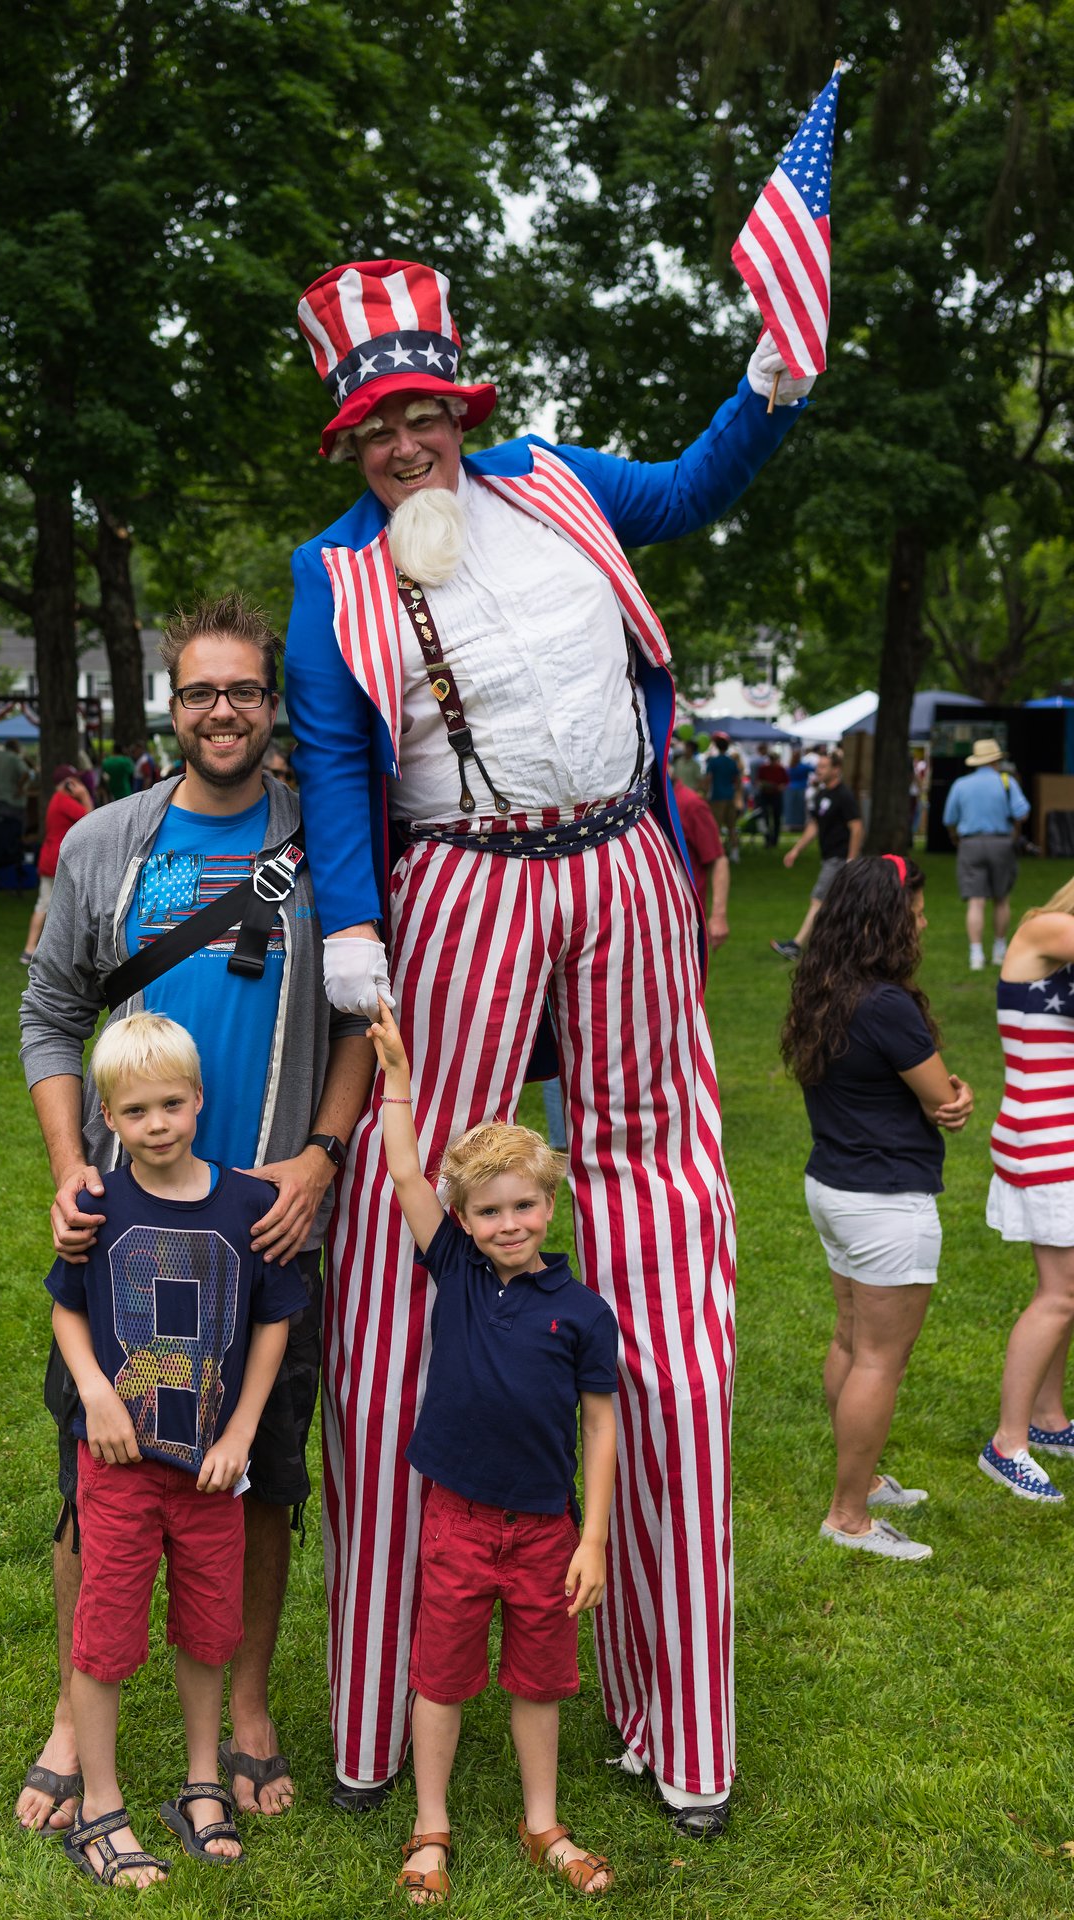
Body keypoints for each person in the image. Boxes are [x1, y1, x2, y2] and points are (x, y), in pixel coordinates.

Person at [285, 255, 814, 1830]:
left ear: (462, 402)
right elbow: (327, 752)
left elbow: (704, 479)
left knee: (659, 1225)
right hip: (454, 884)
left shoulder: (564, 484)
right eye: (374, 425)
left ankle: (678, 1720)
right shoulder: (334, 576)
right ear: (350, 439)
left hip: (627, 865)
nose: (403, 443)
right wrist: (362, 926)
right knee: (401, 1235)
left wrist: (771, 377)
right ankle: (389, 1707)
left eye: (420, 412)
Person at [16, 592, 373, 1837]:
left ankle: (251, 1706)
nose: (222, 711)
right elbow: (51, 1011)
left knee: (263, 1483)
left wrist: (320, 1160)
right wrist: (74, 1167)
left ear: (272, 707)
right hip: (123, 1237)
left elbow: (355, 1025)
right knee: (92, 1472)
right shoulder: (105, 845)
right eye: (199, 692)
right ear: (169, 709)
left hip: (263, 1231)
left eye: (244, 691)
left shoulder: (326, 846)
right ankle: (77, 1709)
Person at [47, 1012, 307, 1887]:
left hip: (208, 1472)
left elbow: (273, 1324)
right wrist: (93, 1393)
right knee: (106, 1634)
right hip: (120, 1469)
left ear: (199, 1100)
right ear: (109, 1120)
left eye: (171, 1105)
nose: (156, 1124)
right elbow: (68, 1309)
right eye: (134, 1112)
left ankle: (203, 1782)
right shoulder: (96, 1205)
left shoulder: (251, 1204)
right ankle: (101, 1802)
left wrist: (239, 1433)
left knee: (208, 1629)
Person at [369, 1002, 617, 1901]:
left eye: (524, 1205)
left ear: (549, 1205)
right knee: (440, 1673)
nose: (509, 1223)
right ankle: (430, 1826)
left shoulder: (583, 1312)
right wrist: (397, 1079)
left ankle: (542, 1819)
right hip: (459, 1518)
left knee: (540, 1678)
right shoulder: (459, 1271)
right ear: (465, 1221)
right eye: (489, 1211)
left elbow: (600, 1425)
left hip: (548, 1528)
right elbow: (403, 1173)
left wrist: (591, 1538)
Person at [781, 857, 973, 1562]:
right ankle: (850, 1515)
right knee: (880, 1361)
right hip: (885, 1200)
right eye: (915, 907)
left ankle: (860, 1480)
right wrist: (957, 1099)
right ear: (887, 918)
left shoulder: (819, 984)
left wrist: (945, 1097)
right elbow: (941, 1094)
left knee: (852, 1339)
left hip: (834, 1185)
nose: (923, 919)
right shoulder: (887, 1003)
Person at [977, 876, 1074, 1503]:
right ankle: (1007, 1444)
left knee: (1068, 1291)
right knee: (1060, 1295)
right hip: (1047, 1138)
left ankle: (1049, 1419)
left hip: (1054, 1132)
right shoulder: (1043, 930)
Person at [942, 738, 1031, 972]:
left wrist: (956, 838)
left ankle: (976, 954)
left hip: (970, 844)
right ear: (996, 760)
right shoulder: (1006, 782)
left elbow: (949, 819)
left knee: (976, 901)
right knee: (1001, 899)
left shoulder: (961, 784)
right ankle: (999, 950)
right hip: (1001, 843)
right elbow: (1022, 813)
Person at [771, 749, 863, 958]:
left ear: (836, 770)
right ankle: (846, 947)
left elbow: (857, 828)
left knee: (818, 900)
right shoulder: (823, 794)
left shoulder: (844, 796)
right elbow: (814, 826)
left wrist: (851, 859)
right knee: (843, 905)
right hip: (829, 857)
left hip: (838, 859)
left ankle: (796, 945)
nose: (818, 770)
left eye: (823, 767)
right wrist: (795, 850)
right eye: (818, 766)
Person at [22, 766, 93, 964]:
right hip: (58, 860)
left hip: (52, 857)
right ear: (68, 784)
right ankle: (31, 949)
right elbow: (92, 821)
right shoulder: (64, 801)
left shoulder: (58, 800)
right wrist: (85, 795)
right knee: (50, 904)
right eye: (74, 781)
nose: (78, 785)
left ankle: (32, 949)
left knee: (47, 904)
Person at [671, 767, 731, 951]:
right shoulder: (642, 805)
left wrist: (718, 915)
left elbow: (719, 860)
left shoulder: (690, 804)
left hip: (686, 921)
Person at [705, 732, 743, 860]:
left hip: (717, 797)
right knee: (732, 826)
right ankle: (735, 852)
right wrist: (736, 791)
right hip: (729, 796)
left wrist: (705, 793)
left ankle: (719, 852)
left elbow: (709, 779)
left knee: (716, 827)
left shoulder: (714, 761)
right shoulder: (731, 762)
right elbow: (738, 779)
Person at [0, 738, 32, 824]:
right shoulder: (14, 758)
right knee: (15, 830)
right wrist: (20, 788)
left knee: (2, 829)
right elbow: (26, 773)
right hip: (13, 801)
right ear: (16, 747)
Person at [754, 749, 788, 848]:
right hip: (765, 795)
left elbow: (785, 782)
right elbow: (759, 781)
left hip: (776, 795)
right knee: (765, 817)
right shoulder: (763, 768)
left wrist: (780, 787)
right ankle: (767, 838)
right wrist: (765, 785)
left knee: (777, 817)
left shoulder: (780, 769)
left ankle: (775, 840)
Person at [783, 748, 810, 833]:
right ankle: (800, 825)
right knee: (800, 808)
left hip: (790, 789)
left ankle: (791, 824)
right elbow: (813, 769)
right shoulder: (803, 766)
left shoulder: (790, 767)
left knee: (791, 808)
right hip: (801, 788)